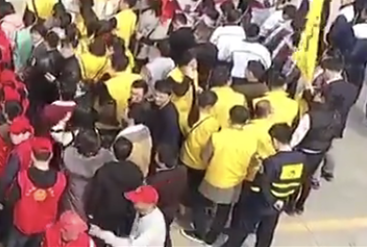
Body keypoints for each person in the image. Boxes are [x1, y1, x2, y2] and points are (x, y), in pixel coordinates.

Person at [183, 105, 258, 245]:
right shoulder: (252, 141)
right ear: (246, 121)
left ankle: (200, 231)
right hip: (235, 182)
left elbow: (205, 157)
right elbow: (253, 163)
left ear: (229, 119)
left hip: (213, 177)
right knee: (224, 211)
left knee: (199, 203)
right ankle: (212, 236)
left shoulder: (217, 136)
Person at [223, 124, 304, 247]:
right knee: (266, 233)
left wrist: (259, 170)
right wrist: (281, 200)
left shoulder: (272, 162)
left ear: (275, 140)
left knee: (244, 227)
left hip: (261, 202)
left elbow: (263, 184)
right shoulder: (301, 158)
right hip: (280, 202)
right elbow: (299, 180)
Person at [89, 185, 167, 247]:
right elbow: (131, 237)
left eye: (137, 200)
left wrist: (107, 237)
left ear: (149, 204)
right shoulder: (141, 212)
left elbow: (132, 245)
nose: (133, 201)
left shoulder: (154, 226)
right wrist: (99, 232)